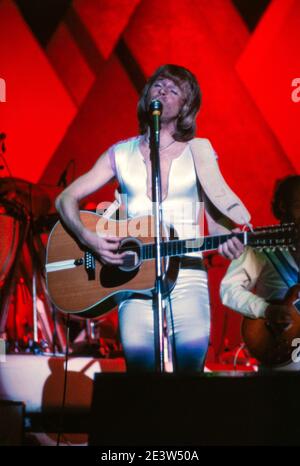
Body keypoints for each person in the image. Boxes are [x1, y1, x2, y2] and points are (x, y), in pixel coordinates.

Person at [55, 64, 249, 372]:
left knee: (190, 370)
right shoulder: (119, 153)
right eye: (158, 86)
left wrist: (229, 241)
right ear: (147, 95)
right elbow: (65, 197)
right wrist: (87, 236)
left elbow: (216, 223)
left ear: (186, 107)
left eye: (174, 91)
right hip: (132, 276)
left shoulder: (199, 151)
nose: (162, 92)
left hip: (187, 272)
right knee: (140, 371)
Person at [220, 175, 300, 370]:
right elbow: (229, 290)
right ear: (282, 206)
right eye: (299, 205)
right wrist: (265, 310)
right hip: (281, 350)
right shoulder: (260, 245)